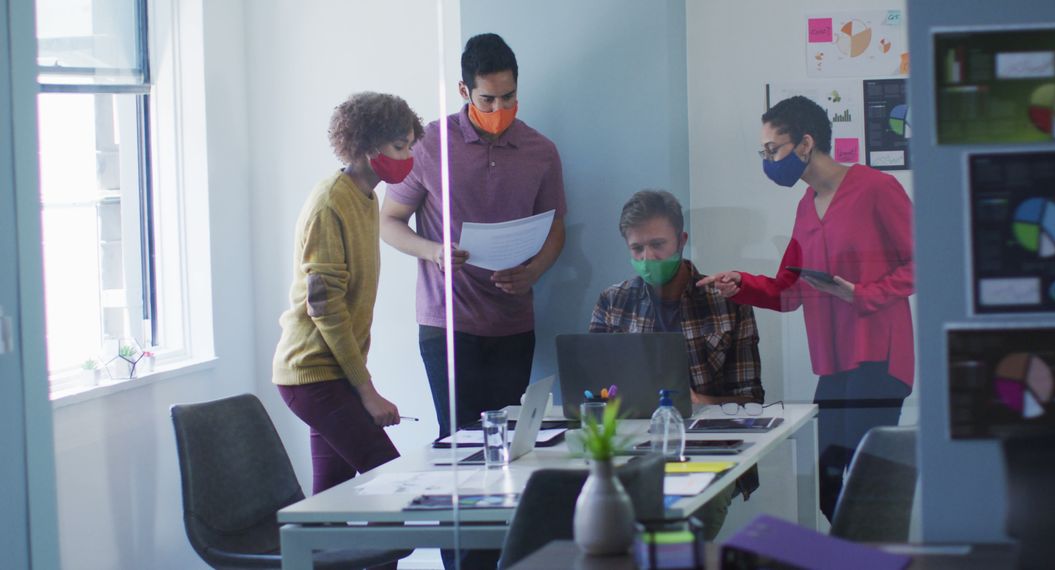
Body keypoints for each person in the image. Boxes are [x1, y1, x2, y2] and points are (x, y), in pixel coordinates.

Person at [381, 33, 565, 570]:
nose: (500, 109)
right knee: (458, 456)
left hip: (514, 321)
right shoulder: (428, 144)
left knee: (511, 455)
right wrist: (433, 252)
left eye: (509, 98)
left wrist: (534, 271)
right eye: (488, 99)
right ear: (465, 90)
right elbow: (390, 224)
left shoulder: (540, 150)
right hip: (447, 324)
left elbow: (557, 230)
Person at [697, 95, 914, 522]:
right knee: (828, 485)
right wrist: (741, 283)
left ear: (805, 144)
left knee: (866, 487)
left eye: (772, 150)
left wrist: (864, 294)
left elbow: (926, 260)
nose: (767, 160)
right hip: (834, 361)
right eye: (763, 152)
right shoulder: (804, 206)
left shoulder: (876, 188)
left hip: (878, 354)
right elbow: (789, 291)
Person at [272, 92, 423, 496]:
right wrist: (367, 391)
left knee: (330, 505)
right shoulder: (329, 203)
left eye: (410, 144)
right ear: (368, 145)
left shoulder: (366, 198)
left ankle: (317, 559)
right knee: (393, 486)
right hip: (312, 374)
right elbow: (325, 307)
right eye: (399, 146)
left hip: (333, 374)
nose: (408, 156)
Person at [590, 189, 763, 539]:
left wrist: (697, 402)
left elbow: (751, 400)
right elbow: (594, 390)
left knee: (686, 531)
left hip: (708, 449)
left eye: (658, 244)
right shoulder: (613, 300)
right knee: (602, 520)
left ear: (682, 240)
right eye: (637, 249)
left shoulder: (728, 302)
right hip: (633, 445)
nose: (648, 256)